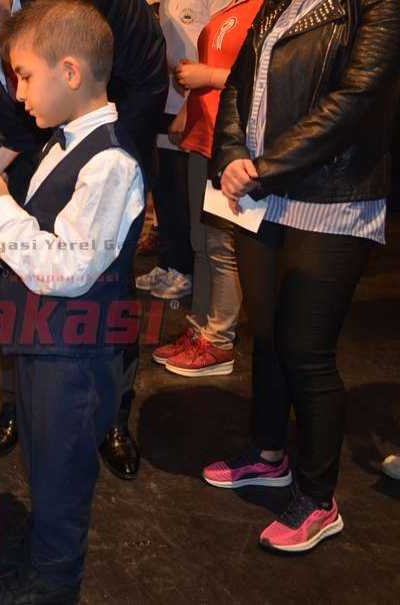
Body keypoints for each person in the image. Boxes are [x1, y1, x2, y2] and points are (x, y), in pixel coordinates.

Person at [0, 0, 168, 478]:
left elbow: (148, 77)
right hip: (19, 156)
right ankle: (20, 403)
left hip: (100, 149)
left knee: (104, 289)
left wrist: (108, 166)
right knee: (15, 280)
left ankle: (112, 415)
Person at [203, 0, 399, 552]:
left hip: (334, 197)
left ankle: (318, 497)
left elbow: (357, 100)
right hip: (263, 193)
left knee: (306, 350)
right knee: (266, 332)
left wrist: (266, 167)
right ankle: (268, 455)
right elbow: (241, 85)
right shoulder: (280, 3)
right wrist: (234, 155)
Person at [0, 3, 144, 601]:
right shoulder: (59, 147)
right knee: (44, 471)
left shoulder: (111, 164)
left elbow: (66, 267)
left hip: (76, 361)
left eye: (23, 75)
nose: (17, 94)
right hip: (45, 350)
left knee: (63, 481)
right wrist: (0, 241)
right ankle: (42, 564)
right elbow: (42, 238)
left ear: (69, 72)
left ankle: (52, 586)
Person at [151, 0, 262, 376]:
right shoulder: (230, 7)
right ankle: (201, 329)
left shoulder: (267, 8)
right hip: (206, 134)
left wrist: (208, 77)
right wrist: (188, 110)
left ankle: (218, 340)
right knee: (202, 242)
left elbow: (267, 75)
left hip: (232, 139)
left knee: (221, 246)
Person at [135, 0, 226, 301]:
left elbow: (214, 49)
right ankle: (170, 261)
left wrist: (190, 107)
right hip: (164, 100)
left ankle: (187, 270)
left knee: (186, 192)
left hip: (195, 107)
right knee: (165, 189)